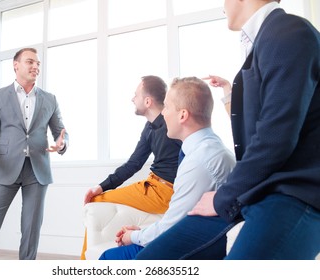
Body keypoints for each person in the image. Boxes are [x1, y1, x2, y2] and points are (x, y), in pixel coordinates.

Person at [136, 0, 320, 260]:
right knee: (149, 260)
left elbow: (274, 138)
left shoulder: (290, 33)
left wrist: (224, 196)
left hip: (292, 195)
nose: (223, 5)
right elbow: (262, 126)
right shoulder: (266, 42)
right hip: (257, 192)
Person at [99, 77, 236, 260]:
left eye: (167, 107)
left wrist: (133, 236)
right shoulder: (207, 147)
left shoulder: (197, 162)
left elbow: (171, 227)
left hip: (187, 248)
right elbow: (177, 217)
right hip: (190, 235)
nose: (163, 114)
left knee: (108, 258)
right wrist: (143, 232)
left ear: (182, 115)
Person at [0, 47, 69, 260]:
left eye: (38, 63)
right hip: (6, 168)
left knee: (31, 230)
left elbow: (61, 131)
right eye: (30, 62)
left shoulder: (50, 99)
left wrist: (62, 143)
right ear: (16, 65)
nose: (35, 66)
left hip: (37, 171)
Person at [81, 75, 182, 259]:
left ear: (148, 101)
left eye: (136, 95)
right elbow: (133, 164)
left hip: (164, 191)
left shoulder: (172, 125)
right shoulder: (149, 128)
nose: (132, 99)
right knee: (97, 197)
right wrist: (101, 186)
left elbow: (190, 156)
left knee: (95, 200)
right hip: (152, 184)